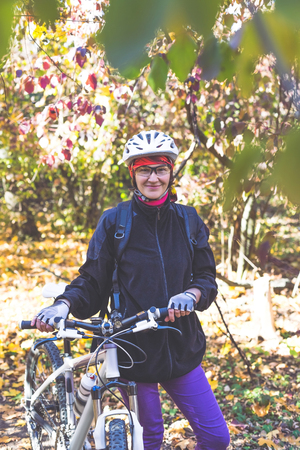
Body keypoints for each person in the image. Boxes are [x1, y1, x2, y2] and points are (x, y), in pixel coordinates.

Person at [32, 130, 230, 450]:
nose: (153, 177)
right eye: (144, 169)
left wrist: (191, 296)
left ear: (171, 171)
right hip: (131, 348)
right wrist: (63, 305)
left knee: (216, 438)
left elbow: (205, 277)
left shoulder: (189, 221)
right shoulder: (115, 222)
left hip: (182, 346)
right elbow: (93, 279)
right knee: (149, 438)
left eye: (160, 168)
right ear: (132, 173)